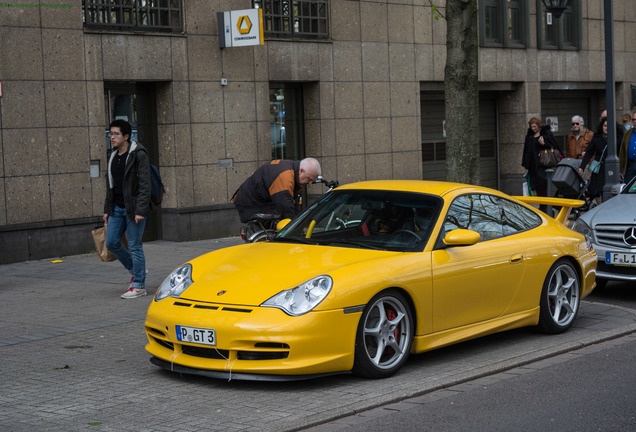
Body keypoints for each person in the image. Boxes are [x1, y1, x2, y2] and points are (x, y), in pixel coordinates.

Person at [103, 119, 152, 299]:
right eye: (110, 133)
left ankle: (139, 285)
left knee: (134, 245)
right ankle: (136, 269)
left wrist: (141, 210)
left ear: (126, 136)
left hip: (133, 209)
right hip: (116, 208)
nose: (112, 137)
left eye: (116, 134)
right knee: (111, 242)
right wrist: (107, 209)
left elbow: (145, 184)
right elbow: (110, 185)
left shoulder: (138, 154)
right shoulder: (113, 156)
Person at [233, 158, 321, 223]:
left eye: (312, 181)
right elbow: (284, 205)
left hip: (252, 199)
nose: (309, 183)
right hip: (250, 202)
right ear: (301, 171)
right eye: (308, 179)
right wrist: (295, 227)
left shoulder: (293, 172)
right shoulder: (285, 177)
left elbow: (294, 203)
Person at [522, 117, 562, 206]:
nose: (533, 129)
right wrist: (525, 162)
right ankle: (542, 205)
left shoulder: (546, 134)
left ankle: (546, 206)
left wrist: (544, 144)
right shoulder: (529, 136)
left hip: (544, 165)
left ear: (539, 126)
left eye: (534, 126)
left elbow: (554, 146)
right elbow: (526, 150)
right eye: (531, 127)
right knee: (536, 187)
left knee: (544, 186)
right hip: (533, 166)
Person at [579, 118, 608, 203]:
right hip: (599, 169)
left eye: (608, 126)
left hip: (611, 169)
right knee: (594, 190)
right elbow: (589, 152)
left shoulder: (617, 137)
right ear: (602, 127)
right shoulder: (597, 137)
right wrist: (582, 167)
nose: (606, 128)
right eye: (605, 125)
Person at [619, 111, 636, 184]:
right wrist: (620, 169)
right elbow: (622, 152)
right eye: (634, 120)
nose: (635, 122)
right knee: (628, 187)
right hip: (630, 165)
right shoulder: (627, 133)